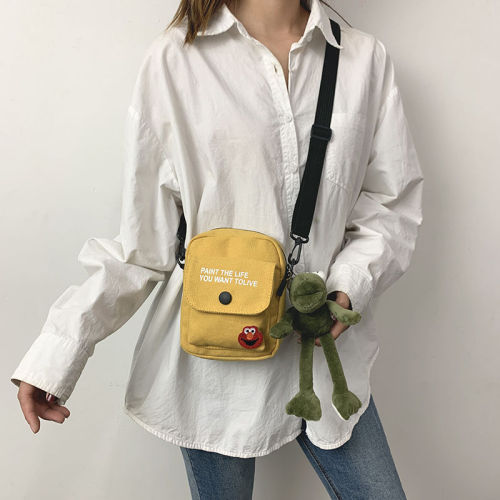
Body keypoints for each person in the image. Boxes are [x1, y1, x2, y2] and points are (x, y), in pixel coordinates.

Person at [11, 0, 423, 498]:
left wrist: (350, 285)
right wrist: (58, 354)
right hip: (212, 368)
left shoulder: (362, 58)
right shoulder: (176, 59)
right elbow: (142, 245)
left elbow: (389, 204)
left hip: (326, 357)